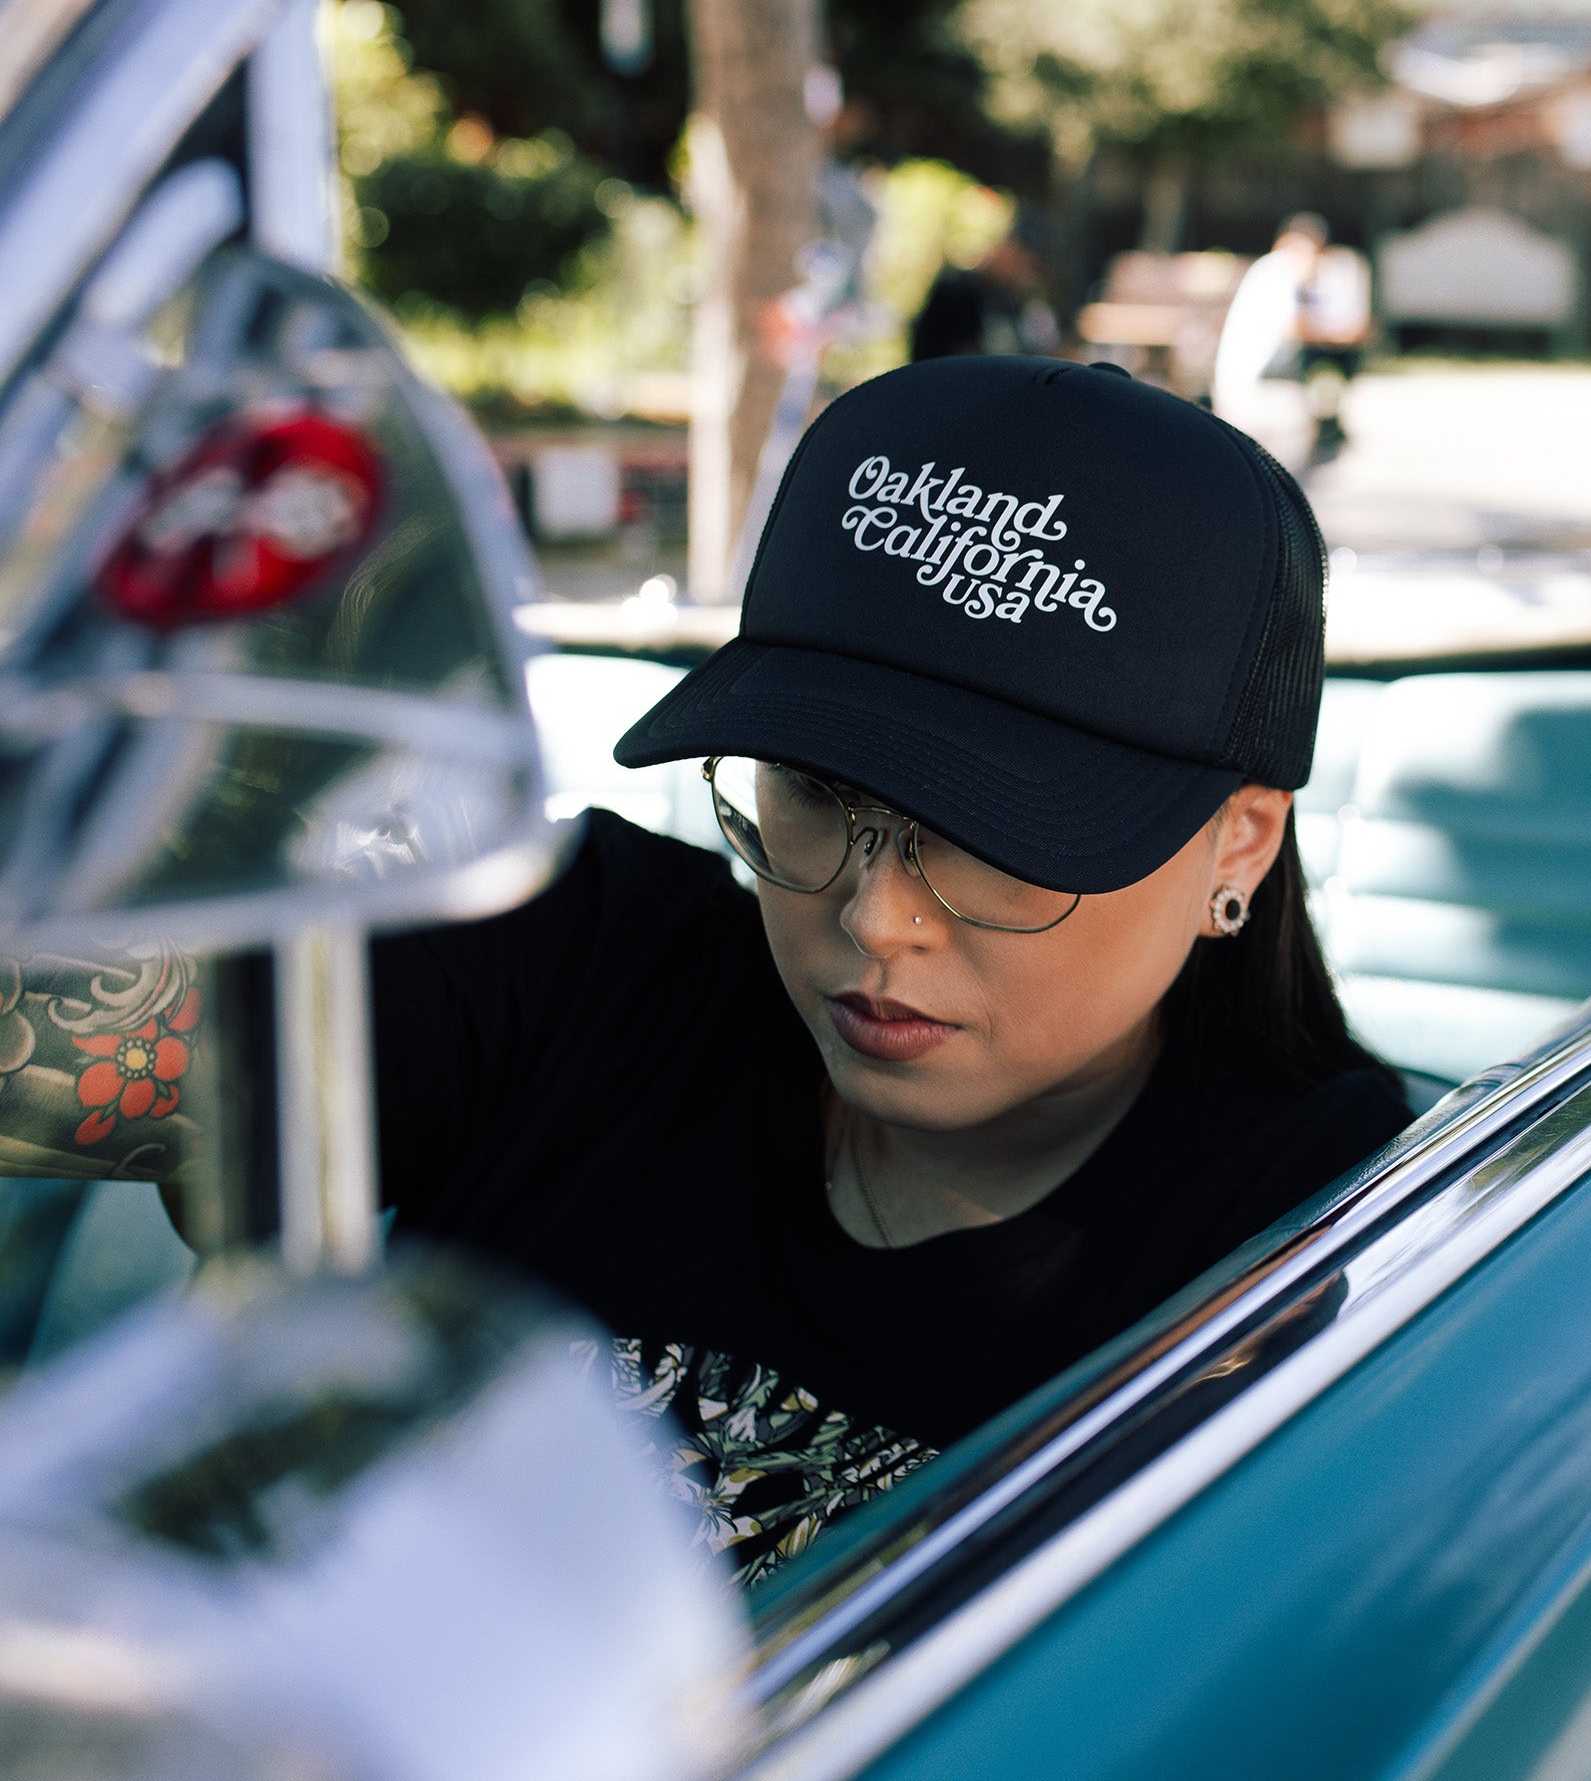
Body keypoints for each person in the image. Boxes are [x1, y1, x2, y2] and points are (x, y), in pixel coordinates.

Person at [370, 356, 1407, 1582]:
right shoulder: (579, 957)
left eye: (995, 838)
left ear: (1238, 842)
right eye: (814, 789)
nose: (874, 918)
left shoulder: (1308, 1240)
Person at [1212, 211, 1348, 472]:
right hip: (1258, 387)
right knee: (1286, 465)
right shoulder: (1282, 269)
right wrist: (1339, 334)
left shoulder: (1273, 271)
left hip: (1252, 385)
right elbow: (1296, 328)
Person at [908, 227, 1060, 362]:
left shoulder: (1008, 300)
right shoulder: (956, 290)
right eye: (1023, 263)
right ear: (1009, 249)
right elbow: (958, 355)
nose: (1024, 274)